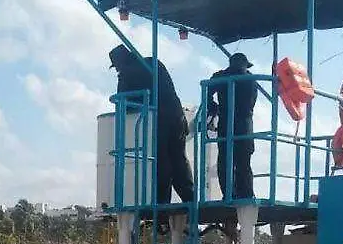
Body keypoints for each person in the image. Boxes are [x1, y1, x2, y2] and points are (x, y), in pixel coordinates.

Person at [108, 44, 194, 205]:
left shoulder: (128, 72)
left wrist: (122, 78)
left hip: (159, 118)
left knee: (161, 160)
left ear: (121, 63)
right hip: (177, 115)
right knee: (179, 158)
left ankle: (161, 203)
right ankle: (190, 198)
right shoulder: (154, 62)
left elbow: (123, 103)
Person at [207, 53, 257, 200]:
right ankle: (246, 194)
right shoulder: (250, 79)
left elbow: (206, 93)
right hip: (245, 124)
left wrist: (213, 107)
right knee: (244, 162)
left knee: (225, 161)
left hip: (226, 123)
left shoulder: (220, 77)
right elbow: (251, 103)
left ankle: (229, 194)